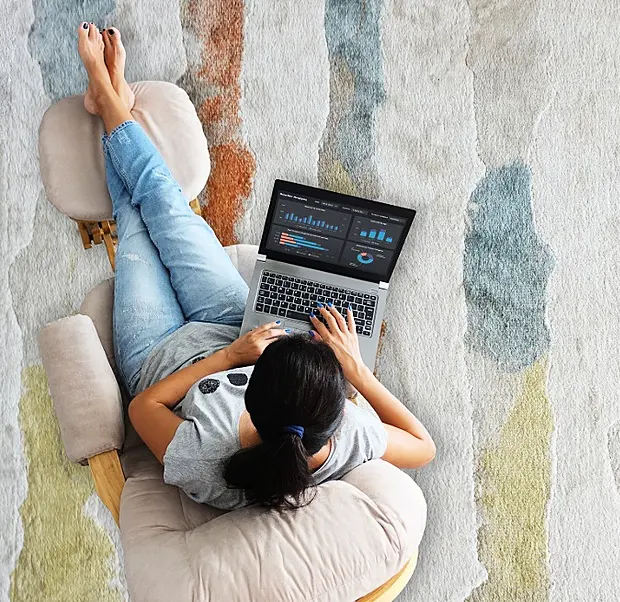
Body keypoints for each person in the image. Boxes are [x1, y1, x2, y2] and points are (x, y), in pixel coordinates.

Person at [75, 22, 435, 511]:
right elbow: (423, 447)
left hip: (161, 356)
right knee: (168, 206)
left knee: (136, 220)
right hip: (231, 324)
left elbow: (144, 408)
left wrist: (227, 359)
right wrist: (357, 371)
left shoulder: (207, 462)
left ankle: (107, 100)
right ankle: (110, 103)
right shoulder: (341, 437)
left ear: (250, 399)